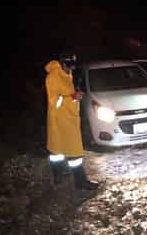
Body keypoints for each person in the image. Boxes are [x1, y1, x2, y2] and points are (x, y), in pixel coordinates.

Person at [44, 51, 99, 190]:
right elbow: (54, 101)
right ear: (63, 63)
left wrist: (75, 96)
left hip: (69, 119)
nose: (73, 68)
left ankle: (59, 176)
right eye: (70, 65)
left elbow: (67, 95)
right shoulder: (53, 77)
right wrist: (73, 97)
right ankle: (79, 182)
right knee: (71, 151)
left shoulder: (67, 74)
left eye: (73, 65)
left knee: (59, 150)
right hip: (59, 121)